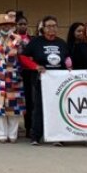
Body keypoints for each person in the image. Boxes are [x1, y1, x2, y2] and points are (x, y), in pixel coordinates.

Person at [24, 15, 72, 145]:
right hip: (42, 80)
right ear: (43, 28)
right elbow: (23, 57)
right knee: (39, 108)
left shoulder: (61, 43)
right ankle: (35, 136)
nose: (52, 29)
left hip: (59, 81)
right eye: (49, 26)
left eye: (54, 26)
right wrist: (35, 67)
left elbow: (67, 58)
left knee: (58, 108)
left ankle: (57, 137)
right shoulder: (35, 42)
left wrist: (69, 65)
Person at [0, 13, 25, 143]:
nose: (6, 27)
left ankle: (13, 134)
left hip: (14, 76)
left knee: (14, 108)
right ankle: (2, 134)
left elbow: (24, 56)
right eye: (3, 25)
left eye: (8, 24)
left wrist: (19, 43)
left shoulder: (19, 39)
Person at [16, 16, 39, 140]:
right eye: (20, 24)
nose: (22, 26)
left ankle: (29, 128)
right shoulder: (12, 39)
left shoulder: (32, 39)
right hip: (16, 73)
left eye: (25, 24)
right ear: (16, 26)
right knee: (18, 102)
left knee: (31, 101)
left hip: (30, 72)